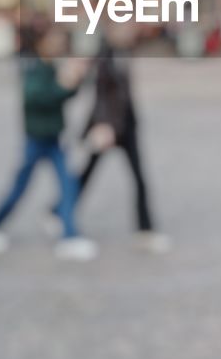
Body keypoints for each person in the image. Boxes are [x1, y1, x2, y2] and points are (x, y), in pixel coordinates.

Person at [0, 26, 98, 261]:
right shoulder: (34, 67)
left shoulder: (50, 66)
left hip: (53, 138)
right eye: (54, 41)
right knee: (22, 186)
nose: (58, 46)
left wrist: (77, 79)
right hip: (38, 138)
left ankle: (69, 234)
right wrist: (63, 87)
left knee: (68, 184)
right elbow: (37, 97)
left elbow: (63, 95)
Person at [55, 30, 170, 253]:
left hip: (126, 127)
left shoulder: (125, 51)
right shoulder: (104, 56)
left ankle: (145, 229)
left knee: (138, 178)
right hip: (108, 128)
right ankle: (59, 211)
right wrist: (102, 125)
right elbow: (101, 96)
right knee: (87, 174)